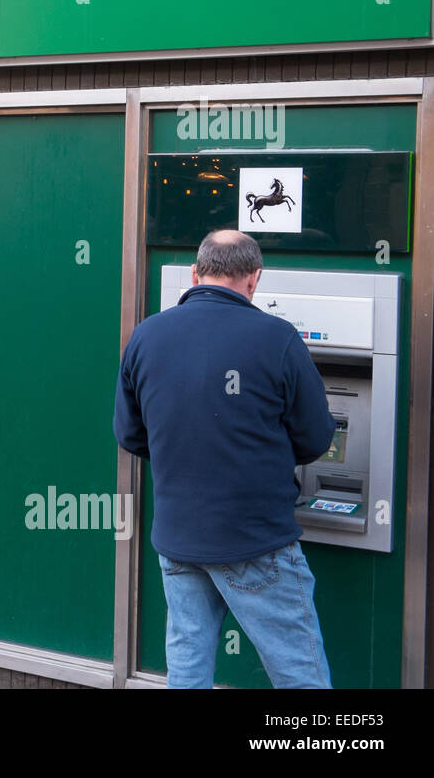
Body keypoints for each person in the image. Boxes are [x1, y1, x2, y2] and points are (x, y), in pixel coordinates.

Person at [113, 229, 337, 688]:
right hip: (255, 539)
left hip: (179, 539)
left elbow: (131, 435)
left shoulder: (146, 337)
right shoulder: (278, 339)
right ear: (254, 279)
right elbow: (316, 438)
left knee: (188, 669)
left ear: (196, 274)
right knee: (299, 672)